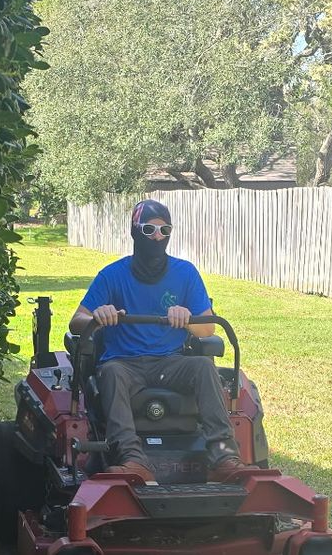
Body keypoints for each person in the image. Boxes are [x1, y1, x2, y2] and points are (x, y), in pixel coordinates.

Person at [70, 200, 247, 482]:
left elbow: (208, 329)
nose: (157, 236)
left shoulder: (185, 273)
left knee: (203, 366)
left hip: (170, 362)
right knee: (112, 373)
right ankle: (131, 459)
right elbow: (76, 321)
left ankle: (224, 455)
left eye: (165, 230)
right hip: (124, 364)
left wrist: (188, 318)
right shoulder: (112, 275)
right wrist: (98, 316)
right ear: (135, 232)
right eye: (149, 229)